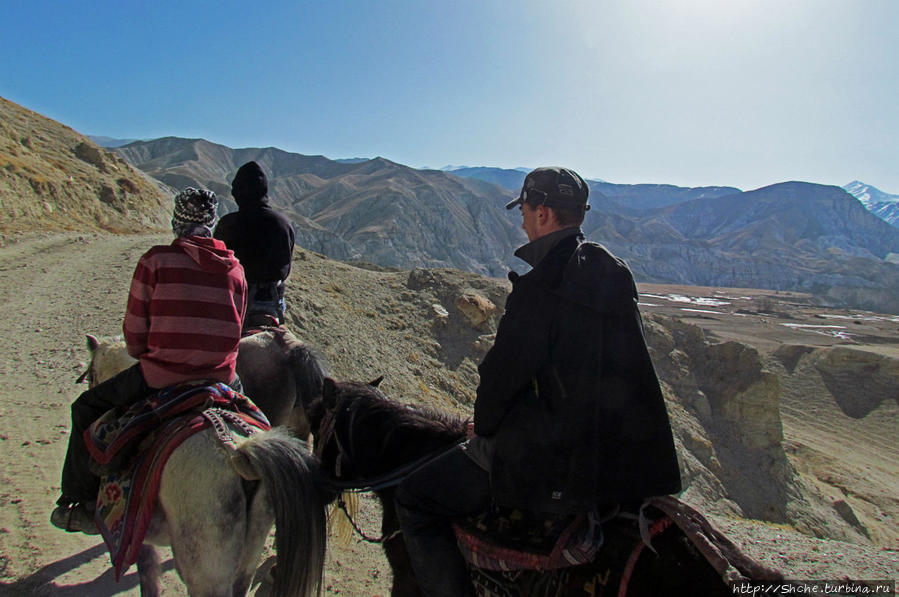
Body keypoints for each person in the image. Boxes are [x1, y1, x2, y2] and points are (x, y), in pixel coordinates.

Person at [394, 167, 682, 596]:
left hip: (560, 466)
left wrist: (487, 429)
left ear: (543, 212)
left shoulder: (541, 287)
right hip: (626, 460)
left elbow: (500, 381)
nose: (523, 221)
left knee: (415, 499)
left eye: (525, 211)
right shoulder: (614, 275)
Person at [51, 188, 247, 534]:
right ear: (211, 223)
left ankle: (78, 503)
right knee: (256, 419)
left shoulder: (155, 261)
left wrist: (159, 355)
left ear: (178, 221)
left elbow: (135, 337)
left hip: (161, 378)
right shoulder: (235, 270)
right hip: (220, 380)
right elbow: (236, 330)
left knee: (85, 407)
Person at [214, 161, 295, 324]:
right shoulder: (282, 223)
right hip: (270, 301)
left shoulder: (227, 223)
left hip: (232, 299)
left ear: (237, 192)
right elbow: (285, 266)